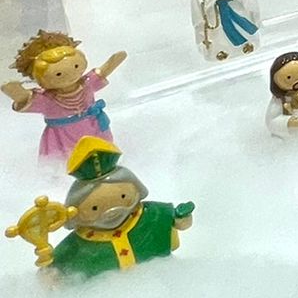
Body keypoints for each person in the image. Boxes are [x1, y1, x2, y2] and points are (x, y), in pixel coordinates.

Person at [29, 137, 194, 278]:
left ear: (137, 190)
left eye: (123, 197)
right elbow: (58, 271)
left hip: (159, 283)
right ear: (76, 213)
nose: (112, 212)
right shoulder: (77, 246)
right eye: (94, 208)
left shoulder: (152, 216)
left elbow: (175, 222)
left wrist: (182, 219)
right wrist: (50, 274)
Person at [2, 31, 124, 160]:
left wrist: (113, 62)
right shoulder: (47, 99)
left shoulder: (86, 84)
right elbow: (25, 99)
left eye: (76, 66)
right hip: (62, 135)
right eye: (58, 74)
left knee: (103, 152)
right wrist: (14, 90)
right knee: (66, 160)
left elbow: (102, 73)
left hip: (93, 126)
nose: (70, 75)